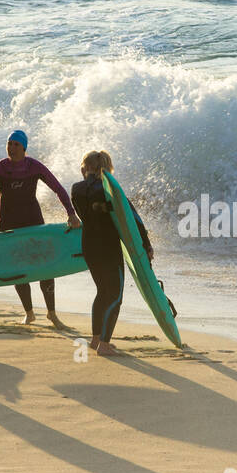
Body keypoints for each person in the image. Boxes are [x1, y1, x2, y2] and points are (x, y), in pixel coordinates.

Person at [0, 129, 81, 325]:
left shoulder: (34, 167)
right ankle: (29, 312)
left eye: (16, 144)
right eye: (9, 144)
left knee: (45, 266)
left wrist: (71, 213)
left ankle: (52, 313)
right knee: (17, 268)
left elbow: (58, 189)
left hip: (33, 223)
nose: (11, 148)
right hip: (9, 224)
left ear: (24, 148)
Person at [71, 150, 153, 356]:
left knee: (101, 291)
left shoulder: (76, 189)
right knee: (115, 295)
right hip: (108, 247)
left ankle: (96, 339)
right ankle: (105, 345)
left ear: (85, 167)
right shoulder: (110, 191)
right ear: (107, 169)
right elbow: (134, 218)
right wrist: (146, 245)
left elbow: (86, 214)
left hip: (89, 246)